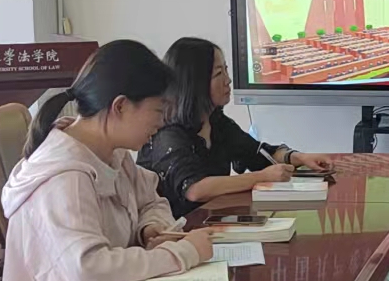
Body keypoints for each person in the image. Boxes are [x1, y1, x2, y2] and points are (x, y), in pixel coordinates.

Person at [0, 40, 216, 281]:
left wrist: (150, 228)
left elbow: (151, 199)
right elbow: (86, 268)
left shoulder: (112, 153)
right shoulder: (66, 179)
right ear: (120, 106)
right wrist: (182, 253)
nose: (162, 123)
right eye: (159, 111)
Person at [138, 37, 336, 220]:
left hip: (210, 223)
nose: (228, 80)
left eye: (226, 70)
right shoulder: (168, 133)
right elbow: (195, 189)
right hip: (176, 233)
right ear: (195, 83)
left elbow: (257, 153)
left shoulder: (217, 122)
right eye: (219, 74)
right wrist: (261, 177)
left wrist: (301, 158)